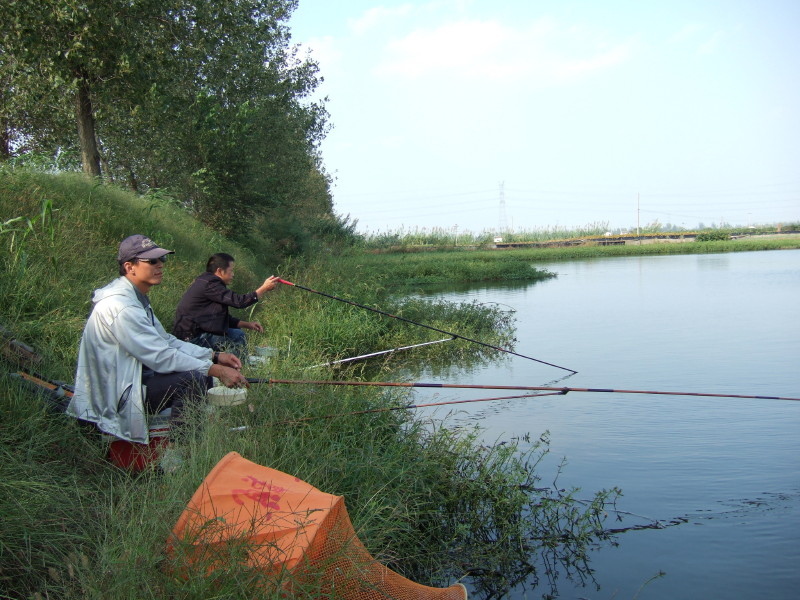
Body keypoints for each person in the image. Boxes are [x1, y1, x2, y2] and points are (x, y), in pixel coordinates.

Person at [67, 235, 249, 444]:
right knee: (192, 380)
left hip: (133, 380)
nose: (160, 265)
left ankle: (190, 438)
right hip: (114, 395)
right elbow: (160, 356)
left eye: (162, 260)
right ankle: (179, 453)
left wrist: (214, 355)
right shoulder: (120, 306)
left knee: (202, 375)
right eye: (152, 261)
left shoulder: (135, 298)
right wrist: (214, 368)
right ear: (130, 267)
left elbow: (166, 341)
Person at [172, 252, 278, 357]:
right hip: (192, 339)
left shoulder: (206, 281)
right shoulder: (210, 284)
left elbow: (219, 318)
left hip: (195, 334)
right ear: (220, 271)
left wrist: (248, 324)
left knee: (236, 333)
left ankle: (235, 362)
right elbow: (239, 302)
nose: (233, 274)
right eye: (231, 271)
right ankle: (239, 367)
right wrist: (263, 288)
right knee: (238, 336)